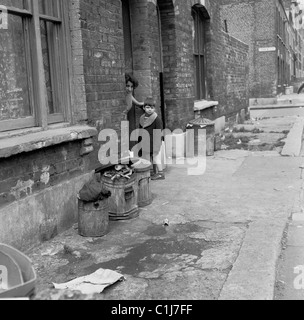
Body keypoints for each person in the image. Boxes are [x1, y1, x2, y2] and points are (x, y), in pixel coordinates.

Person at [139, 97, 165, 181]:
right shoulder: (142, 118)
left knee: (155, 157)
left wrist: (157, 145)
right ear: (144, 108)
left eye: (152, 107)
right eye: (147, 107)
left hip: (154, 142)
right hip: (145, 142)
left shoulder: (156, 119)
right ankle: (150, 172)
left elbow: (158, 133)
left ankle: (161, 173)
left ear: (154, 108)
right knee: (147, 157)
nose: (150, 109)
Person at [125, 73, 144, 151]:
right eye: (127, 86)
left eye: (132, 87)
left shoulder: (128, 94)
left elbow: (131, 97)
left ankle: (131, 158)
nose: (130, 89)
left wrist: (140, 104)